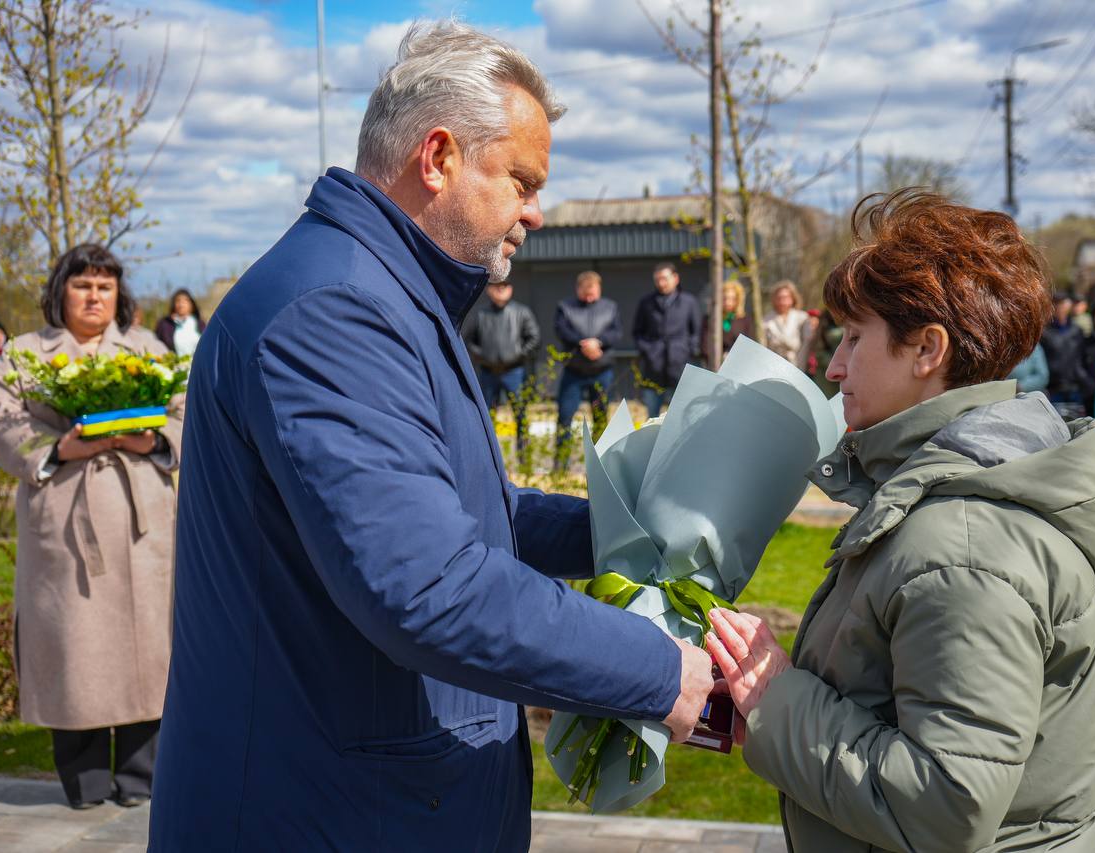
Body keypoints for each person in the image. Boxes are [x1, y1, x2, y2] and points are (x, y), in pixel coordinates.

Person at [148, 22, 711, 852]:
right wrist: (660, 669)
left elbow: (474, 515)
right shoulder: (335, 312)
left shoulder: (384, 293)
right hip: (324, 813)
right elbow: (428, 586)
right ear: (439, 157)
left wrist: (624, 532)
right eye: (520, 179)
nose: (536, 212)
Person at [704, 188, 1095, 852]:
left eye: (854, 337)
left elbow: (941, 807)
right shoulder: (945, 506)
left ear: (927, 350)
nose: (834, 365)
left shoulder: (963, 549)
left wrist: (773, 698)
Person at [0, 244, 182, 810]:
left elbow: (187, 405)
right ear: (59, 292)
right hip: (65, 516)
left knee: (149, 645)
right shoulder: (25, 354)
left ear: (120, 297)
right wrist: (55, 448)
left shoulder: (147, 349)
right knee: (73, 645)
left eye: (105, 287)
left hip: (141, 518)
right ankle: (84, 781)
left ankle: (142, 779)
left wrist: (154, 439)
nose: (94, 296)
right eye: (82, 285)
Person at [463, 279, 540, 454]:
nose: (500, 290)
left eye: (504, 286)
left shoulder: (522, 312)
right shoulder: (480, 313)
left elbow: (534, 339)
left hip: (514, 372)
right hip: (488, 373)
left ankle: (524, 456)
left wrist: (516, 355)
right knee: (485, 416)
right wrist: (483, 357)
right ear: (489, 290)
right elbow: (468, 341)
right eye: (496, 286)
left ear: (511, 289)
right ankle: (487, 454)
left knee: (520, 414)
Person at [554, 270, 621, 458]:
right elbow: (562, 330)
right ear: (578, 290)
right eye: (586, 293)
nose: (590, 297)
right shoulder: (565, 307)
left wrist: (598, 342)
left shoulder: (610, 307)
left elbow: (616, 333)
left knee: (601, 417)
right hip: (574, 371)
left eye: (594, 292)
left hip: (601, 371)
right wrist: (583, 343)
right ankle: (561, 463)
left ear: (599, 289)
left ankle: (602, 460)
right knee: (565, 416)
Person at [633, 261, 701, 416]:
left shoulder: (689, 302)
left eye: (664, 278)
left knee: (681, 416)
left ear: (675, 278)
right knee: (653, 417)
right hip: (653, 368)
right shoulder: (646, 303)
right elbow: (637, 332)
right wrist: (648, 350)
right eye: (657, 280)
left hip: (680, 367)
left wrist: (687, 350)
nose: (661, 283)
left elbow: (696, 332)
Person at [1039, 292, 1091, 417]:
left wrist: (1083, 378)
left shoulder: (1077, 331)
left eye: (1063, 304)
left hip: (1075, 387)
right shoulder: (1045, 333)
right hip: (1054, 389)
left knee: (1077, 429)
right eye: (1056, 304)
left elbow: (1083, 357)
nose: (1060, 308)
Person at [701, 279, 753, 363]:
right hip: (714, 363)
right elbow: (705, 344)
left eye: (732, 299)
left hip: (738, 363)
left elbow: (748, 345)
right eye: (724, 298)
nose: (728, 302)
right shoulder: (709, 318)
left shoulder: (744, 320)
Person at [761, 280, 808, 364]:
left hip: (797, 361)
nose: (782, 301)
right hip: (774, 361)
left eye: (785, 297)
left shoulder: (802, 317)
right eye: (779, 298)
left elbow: (806, 343)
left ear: (792, 298)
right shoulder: (766, 320)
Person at [153, 289, 203, 357]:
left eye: (185, 300)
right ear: (174, 304)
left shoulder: (200, 324)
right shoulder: (165, 324)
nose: (181, 304)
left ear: (192, 304)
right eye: (178, 301)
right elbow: (156, 345)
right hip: (172, 364)